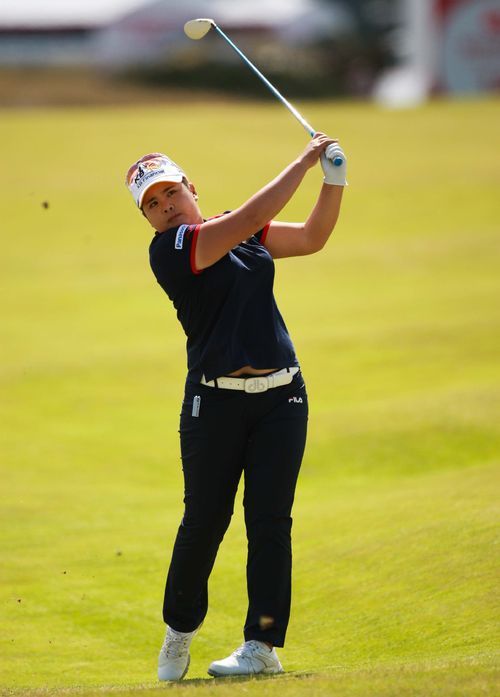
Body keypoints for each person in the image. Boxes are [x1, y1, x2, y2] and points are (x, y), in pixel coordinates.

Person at [125, 133, 347, 681]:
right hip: (214, 404)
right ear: (146, 218)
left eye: (170, 192)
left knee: (269, 522)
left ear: (190, 187)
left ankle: (262, 645)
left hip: (282, 398)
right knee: (204, 521)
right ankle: (180, 630)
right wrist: (303, 160)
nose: (165, 206)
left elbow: (312, 237)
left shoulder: (237, 231)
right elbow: (250, 217)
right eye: (152, 203)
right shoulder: (171, 250)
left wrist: (333, 179)